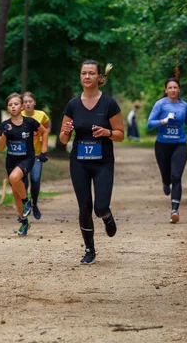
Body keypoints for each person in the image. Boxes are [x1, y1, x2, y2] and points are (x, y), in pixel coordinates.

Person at [59, 60, 124, 265]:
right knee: (84, 207)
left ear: (99, 77)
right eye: (83, 73)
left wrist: (107, 132)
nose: (87, 77)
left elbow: (121, 135)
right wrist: (66, 132)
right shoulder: (73, 104)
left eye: (91, 73)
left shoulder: (109, 104)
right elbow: (63, 139)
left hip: (103, 162)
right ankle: (89, 249)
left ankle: (106, 216)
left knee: (100, 206)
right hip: (79, 162)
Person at [146, 78, 187, 224]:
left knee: (176, 176)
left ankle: (174, 210)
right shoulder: (160, 104)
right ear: (166, 90)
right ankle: (165, 182)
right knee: (167, 176)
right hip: (162, 145)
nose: (172, 90)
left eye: (175, 87)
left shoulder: (184, 105)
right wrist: (164, 121)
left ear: (179, 90)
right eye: (170, 88)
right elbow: (149, 124)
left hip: (179, 144)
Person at [0, 93, 49, 236]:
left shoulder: (30, 122)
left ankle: (27, 201)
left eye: (16, 104)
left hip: (27, 158)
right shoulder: (4, 125)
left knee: (14, 179)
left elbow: (44, 132)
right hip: (11, 160)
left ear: (22, 106)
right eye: (10, 105)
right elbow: (0, 148)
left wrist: (44, 150)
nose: (13, 107)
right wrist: (3, 135)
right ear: (7, 107)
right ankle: (23, 221)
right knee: (15, 192)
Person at [21, 91, 51, 220]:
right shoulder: (18, 115)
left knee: (35, 179)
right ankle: (24, 206)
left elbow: (47, 127)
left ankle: (35, 204)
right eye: (25, 102)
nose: (28, 104)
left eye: (30, 101)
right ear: (22, 104)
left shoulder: (41, 115)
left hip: (37, 153)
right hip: (22, 154)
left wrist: (43, 136)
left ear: (34, 103)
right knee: (24, 182)